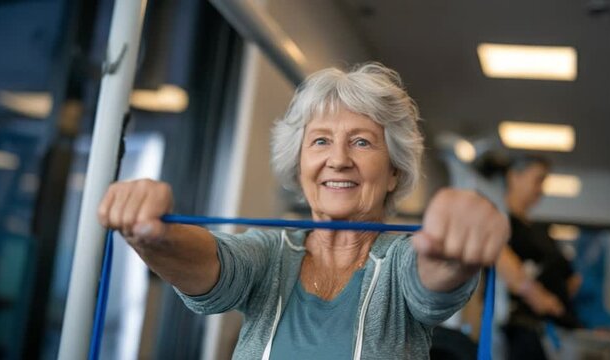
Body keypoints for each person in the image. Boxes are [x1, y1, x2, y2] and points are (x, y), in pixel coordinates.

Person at [98, 63, 509, 359]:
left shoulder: (402, 264)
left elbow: (435, 275)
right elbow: (214, 264)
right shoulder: (268, 253)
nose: (339, 160)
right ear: (299, 166)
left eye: (362, 142)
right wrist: (153, 234)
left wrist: (455, 240)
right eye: (320, 142)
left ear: (393, 173)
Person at [499, 155, 582, 360]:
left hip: (552, 327)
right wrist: (539, 297)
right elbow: (500, 258)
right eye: (538, 180)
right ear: (514, 177)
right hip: (522, 328)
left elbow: (570, 276)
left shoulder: (538, 230)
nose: (541, 189)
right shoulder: (499, 222)